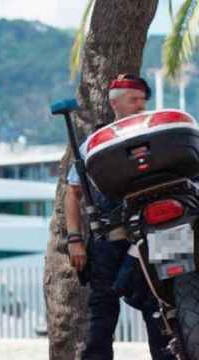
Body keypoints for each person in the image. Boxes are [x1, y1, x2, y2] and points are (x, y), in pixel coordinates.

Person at [65, 74, 174, 360]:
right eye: (133, 100)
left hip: (153, 236)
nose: (140, 106)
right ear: (115, 103)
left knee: (160, 311)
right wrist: (74, 239)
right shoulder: (95, 143)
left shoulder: (156, 135)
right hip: (109, 238)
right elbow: (73, 193)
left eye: (142, 100)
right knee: (100, 318)